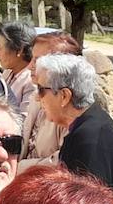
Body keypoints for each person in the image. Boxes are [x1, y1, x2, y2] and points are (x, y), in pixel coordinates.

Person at [35, 52, 113, 204]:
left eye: (41, 90)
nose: (37, 97)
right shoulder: (93, 121)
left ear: (64, 96)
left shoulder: (88, 139)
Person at [18, 30, 75, 170]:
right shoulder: (37, 94)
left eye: (38, 60)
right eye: (32, 58)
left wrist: (18, 168)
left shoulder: (70, 104)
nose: (30, 66)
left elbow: (61, 160)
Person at [0, 19, 36, 113]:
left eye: (0, 48)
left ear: (19, 50)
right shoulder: (8, 72)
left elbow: (24, 119)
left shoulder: (32, 80)